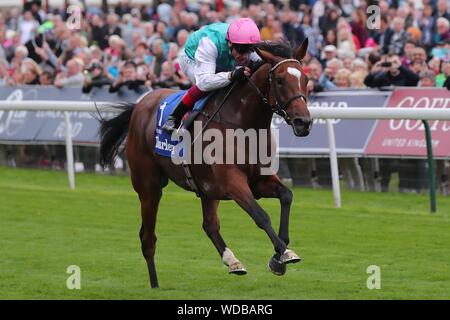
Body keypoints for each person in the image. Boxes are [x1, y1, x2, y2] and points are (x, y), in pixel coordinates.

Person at [162, 18, 261, 133]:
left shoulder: (246, 42)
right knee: (211, 85)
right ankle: (174, 117)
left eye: (249, 50)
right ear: (230, 43)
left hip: (219, 60)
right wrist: (231, 75)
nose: (245, 55)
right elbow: (204, 82)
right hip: (191, 58)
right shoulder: (210, 43)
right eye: (241, 49)